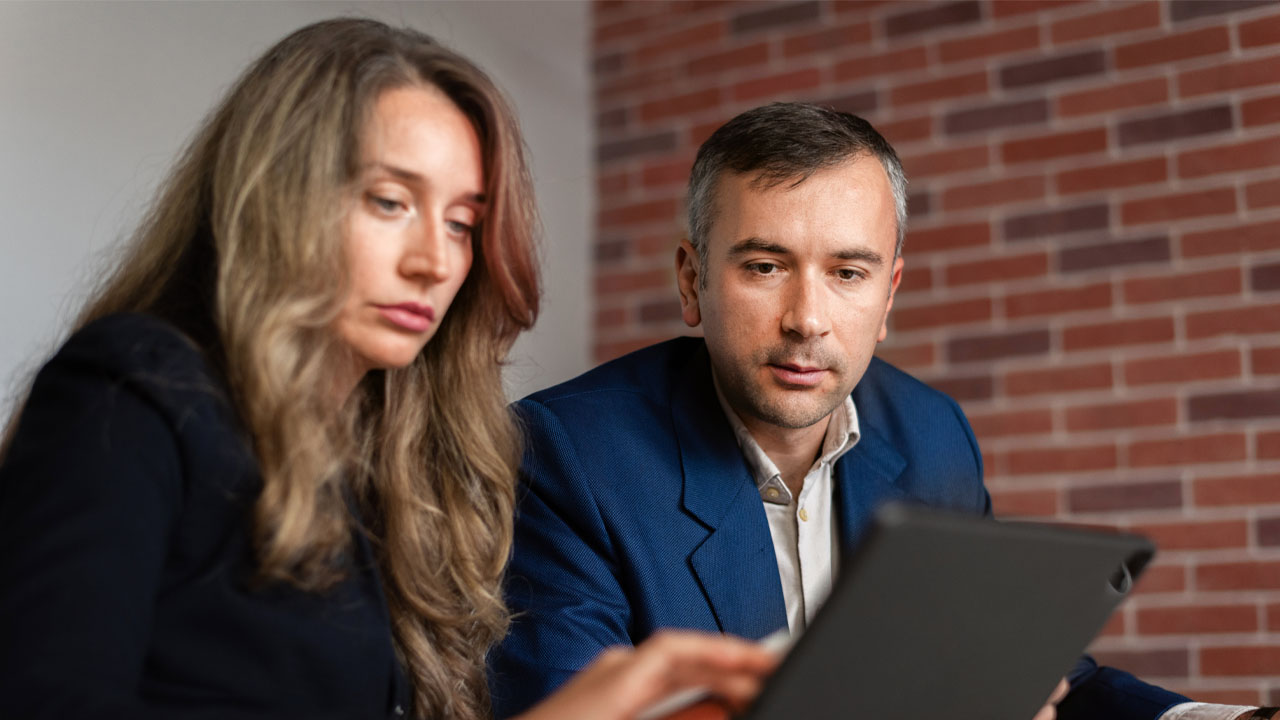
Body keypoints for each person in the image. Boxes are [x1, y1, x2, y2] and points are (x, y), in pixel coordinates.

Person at [0, 18, 778, 720]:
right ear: (276, 195)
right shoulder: (130, 388)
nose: (434, 262)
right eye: (388, 201)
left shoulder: (391, 462)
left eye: (462, 223)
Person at [488, 103, 1269, 720]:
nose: (808, 319)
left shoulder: (931, 435)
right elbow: (569, 710)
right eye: (765, 266)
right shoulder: (567, 455)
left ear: (888, 295)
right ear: (691, 281)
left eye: (848, 273)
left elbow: (1023, 671)